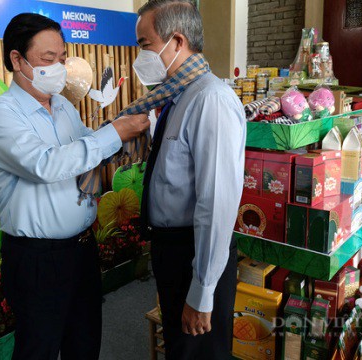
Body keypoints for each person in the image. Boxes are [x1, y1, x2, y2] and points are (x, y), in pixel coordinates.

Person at [0, 13, 149, 360]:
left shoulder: (64, 106)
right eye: (47, 59)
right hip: (37, 259)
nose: (59, 66)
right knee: (38, 347)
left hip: (82, 250)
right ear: (17, 59)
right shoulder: (0, 114)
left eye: (62, 58)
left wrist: (125, 131)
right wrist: (114, 133)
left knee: (84, 342)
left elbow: (87, 150)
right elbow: (46, 164)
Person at [135, 1, 246, 359]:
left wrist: (202, 291)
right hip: (172, 251)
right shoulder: (177, 95)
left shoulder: (210, 98)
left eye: (144, 45)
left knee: (198, 352)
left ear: (177, 41)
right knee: (180, 349)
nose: (139, 57)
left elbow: (216, 204)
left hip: (194, 253)